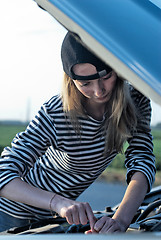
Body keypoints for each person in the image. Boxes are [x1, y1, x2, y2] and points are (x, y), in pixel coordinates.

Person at [0, 32, 156, 234]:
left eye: (106, 76)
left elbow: (142, 160)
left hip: (50, 219)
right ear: (71, 81)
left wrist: (120, 220)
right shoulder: (56, 112)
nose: (99, 91)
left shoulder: (135, 101)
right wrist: (59, 203)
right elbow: (4, 173)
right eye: (85, 84)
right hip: (8, 212)